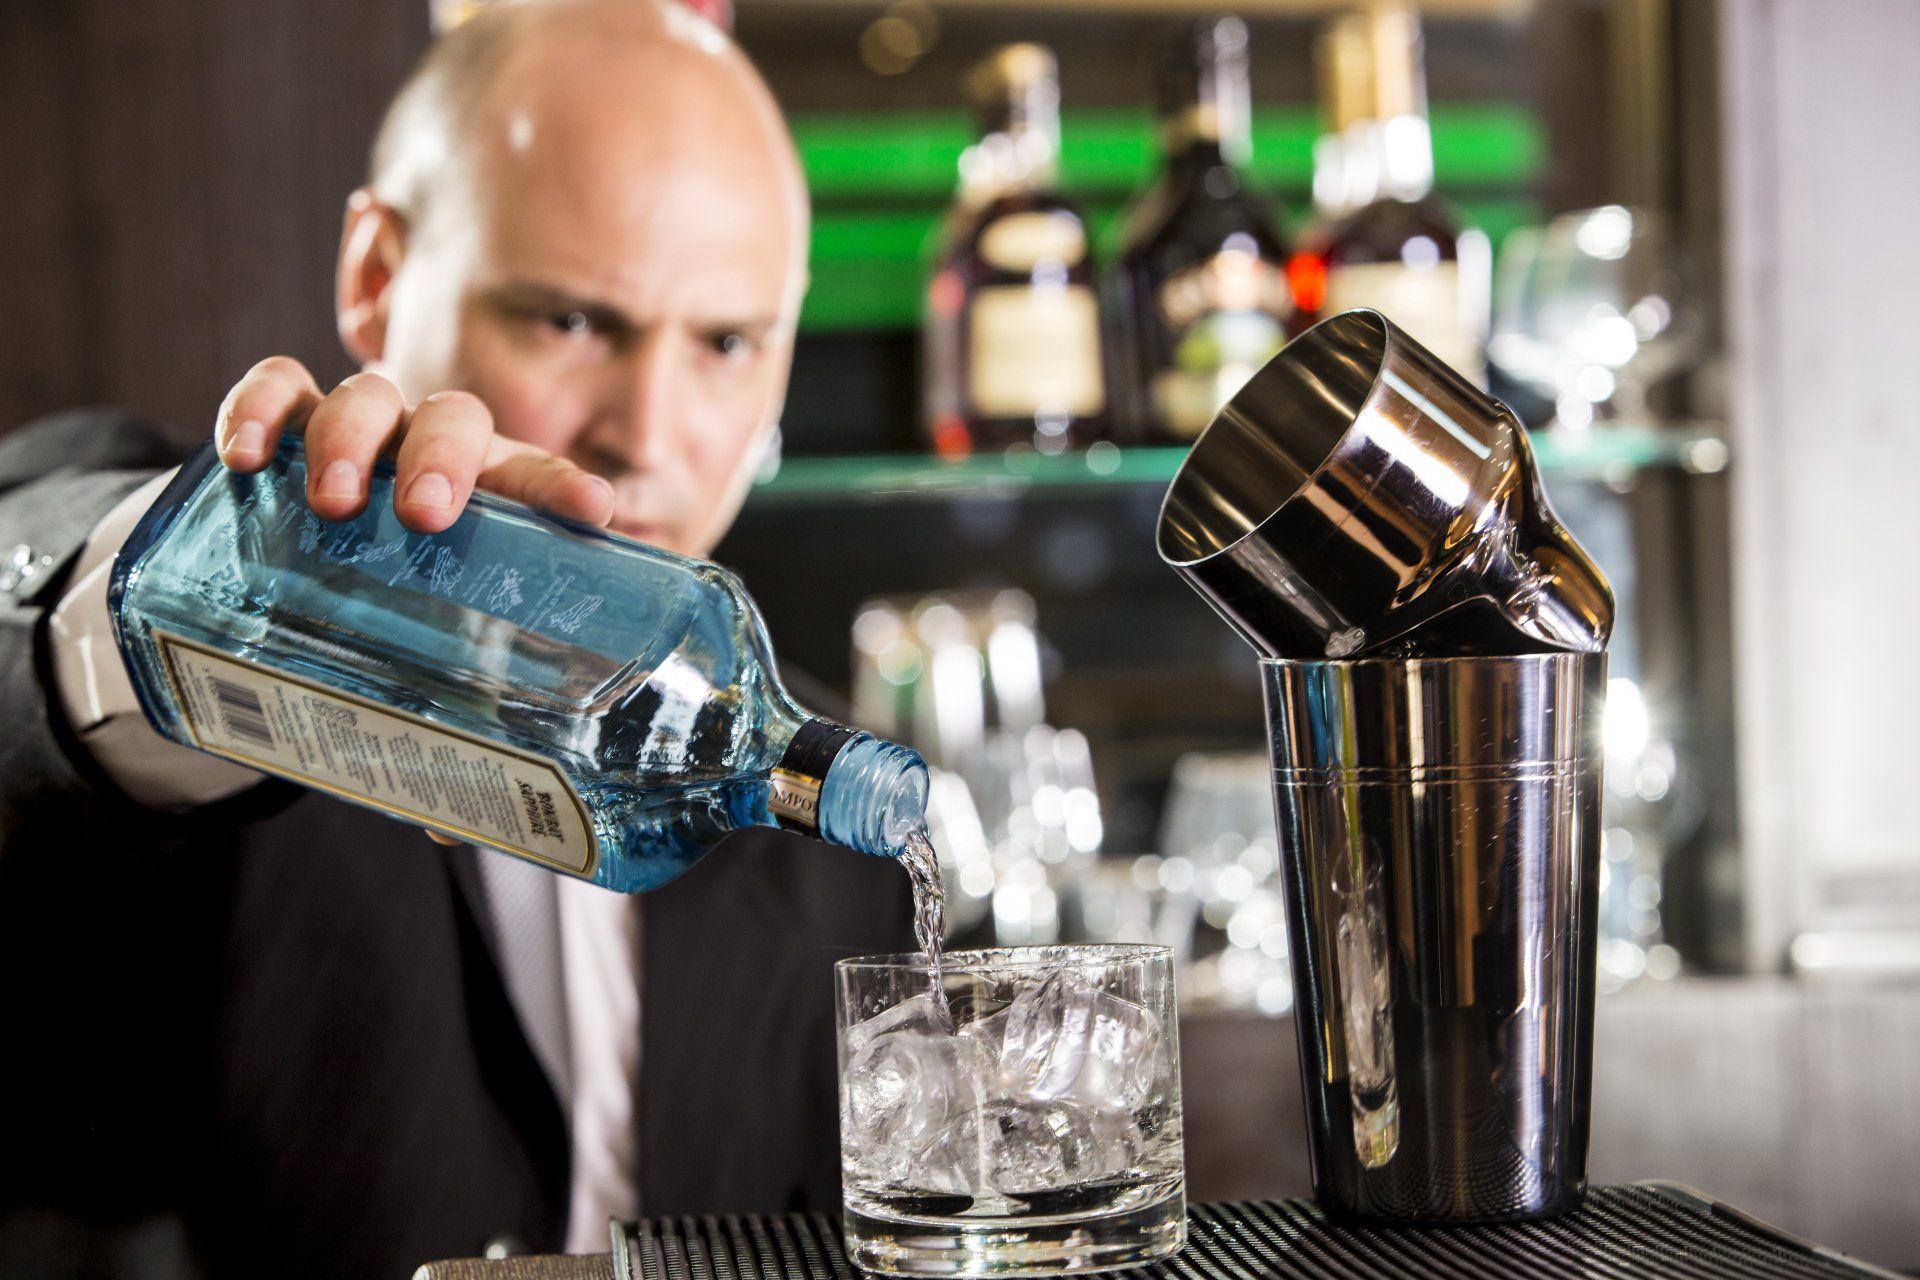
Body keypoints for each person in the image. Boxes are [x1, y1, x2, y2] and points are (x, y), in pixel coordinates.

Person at [0, 1, 909, 1275]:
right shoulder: (224, 591)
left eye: (724, 341)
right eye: (571, 321)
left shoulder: (820, 830)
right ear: (377, 276)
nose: (645, 432)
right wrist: (140, 626)